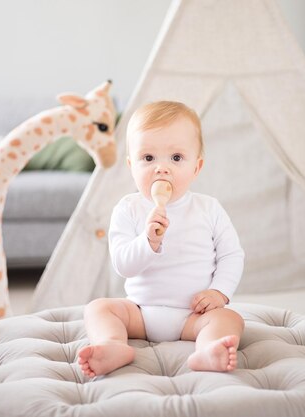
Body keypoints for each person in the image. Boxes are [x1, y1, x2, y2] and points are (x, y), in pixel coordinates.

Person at [78, 101, 245, 378]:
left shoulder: (209, 208)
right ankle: (112, 344)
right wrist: (147, 242)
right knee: (98, 309)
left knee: (231, 319)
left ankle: (209, 349)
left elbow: (231, 255)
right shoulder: (128, 209)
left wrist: (219, 292)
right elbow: (123, 264)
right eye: (148, 158)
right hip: (140, 314)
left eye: (176, 158)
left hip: (193, 316)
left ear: (197, 167)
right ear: (132, 166)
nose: (161, 169)